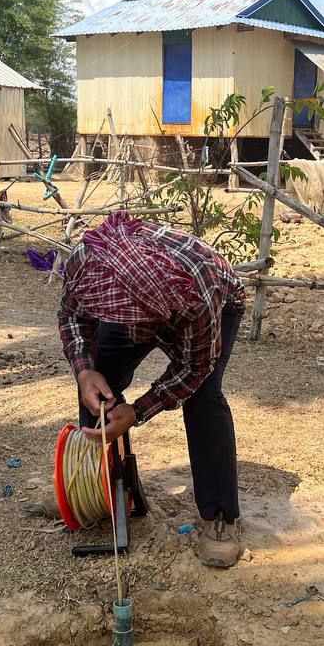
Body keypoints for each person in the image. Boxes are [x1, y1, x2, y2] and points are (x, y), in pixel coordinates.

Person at [57, 211, 246, 567]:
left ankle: (220, 516)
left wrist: (138, 411)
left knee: (203, 396)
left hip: (212, 301)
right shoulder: (90, 259)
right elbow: (71, 315)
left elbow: (194, 367)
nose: (129, 328)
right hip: (150, 295)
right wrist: (85, 371)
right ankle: (94, 487)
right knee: (101, 377)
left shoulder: (197, 292)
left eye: (135, 321)